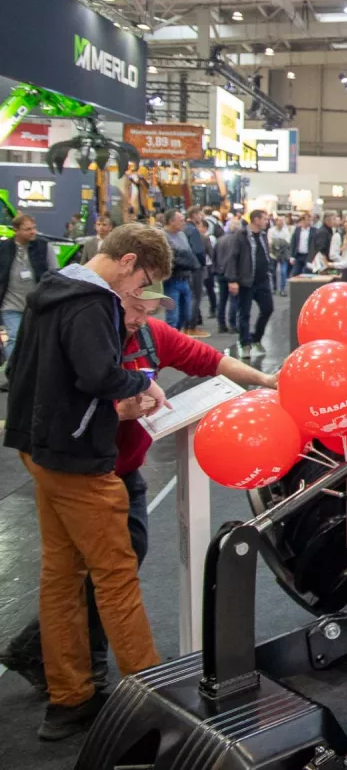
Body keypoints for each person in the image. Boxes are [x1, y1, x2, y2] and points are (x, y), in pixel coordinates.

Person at [0, 281, 278, 701]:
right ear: (119, 293)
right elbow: (69, 396)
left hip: (119, 471)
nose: (139, 318)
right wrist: (119, 409)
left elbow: (211, 358)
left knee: (90, 568)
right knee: (107, 574)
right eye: (135, 307)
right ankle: (124, 685)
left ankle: (61, 670)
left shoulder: (149, 335)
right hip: (87, 471)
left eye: (148, 310)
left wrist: (264, 379)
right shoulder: (88, 332)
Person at [3, 222, 172, 740]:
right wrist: (142, 385)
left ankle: (69, 699)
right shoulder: (93, 302)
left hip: (40, 451)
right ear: (128, 262)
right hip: (79, 459)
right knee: (116, 577)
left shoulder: (50, 289)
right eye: (143, 282)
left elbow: (20, 373)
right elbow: (98, 375)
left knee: (60, 578)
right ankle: (153, 708)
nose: (139, 294)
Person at [0, 214, 60, 367]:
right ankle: (14, 372)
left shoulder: (44, 246)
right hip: (10, 304)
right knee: (14, 337)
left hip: (37, 303)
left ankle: (30, 373)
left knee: (35, 339)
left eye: (34, 228)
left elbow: (55, 271)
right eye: (28, 229)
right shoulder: (3, 248)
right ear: (16, 230)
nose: (33, 232)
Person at [225, 209, 274, 358]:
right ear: (256, 220)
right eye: (265, 219)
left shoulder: (263, 236)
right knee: (244, 314)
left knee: (268, 309)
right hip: (246, 281)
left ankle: (256, 338)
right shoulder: (240, 236)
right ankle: (245, 343)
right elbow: (233, 258)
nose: (267, 221)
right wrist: (233, 280)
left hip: (262, 280)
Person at [161, 210, 199, 332]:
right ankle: (170, 343)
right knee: (173, 316)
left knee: (186, 315)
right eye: (181, 220)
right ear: (171, 221)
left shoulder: (182, 235)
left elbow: (188, 254)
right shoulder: (162, 236)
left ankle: (176, 337)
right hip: (172, 280)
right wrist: (185, 260)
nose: (184, 222)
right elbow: (170, 258)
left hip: (185, 279)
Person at [182, 207, 210, 337]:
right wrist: (201, 264)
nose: (201, 216)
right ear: (194, 215)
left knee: (189, 297)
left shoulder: (184, 229)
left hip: (185, 267)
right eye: (199, 214)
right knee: (195, 297)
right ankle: (191, 327)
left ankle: (187, 326)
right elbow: (198, 250)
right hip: (195, 267)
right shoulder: (193, 230)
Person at [213, 217, 242, 334]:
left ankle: (221, 324)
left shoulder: (220, 240)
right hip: (232, 274)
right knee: (234, 300)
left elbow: (214, 255)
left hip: (220, 273)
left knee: (222, 300)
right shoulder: (237, 241)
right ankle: (233, 324)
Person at [267, 215, 293, 296]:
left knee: (283, 272)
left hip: (283, 255)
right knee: (273, 272)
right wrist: (279, 242)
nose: (280, 223)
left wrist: (277, 242)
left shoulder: (286, 231)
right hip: (273, 254)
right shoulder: (271, 230)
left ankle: (282, 289)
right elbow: (270, 242)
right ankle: (274, 288)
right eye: (279, 221)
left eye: (282, 221)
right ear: (276, 222)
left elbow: (287, 242)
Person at [197, 218, 217, 321]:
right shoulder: (196, 237)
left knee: (210, 289)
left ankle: (213, 308)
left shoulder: (209, 238)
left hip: (208, 266)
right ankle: (198, 314)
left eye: (199, 226)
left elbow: (212, 252)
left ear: (205, 228)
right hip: (202, 266)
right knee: (199, 291)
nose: (198, 228)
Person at [289, 211, 320, 277]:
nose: (309, 222)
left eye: (310, 220)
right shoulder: (297, 230)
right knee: (294, 273)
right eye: (307, 220)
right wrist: (292, 256)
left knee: (307, 273)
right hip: (299, 255)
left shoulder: (314, 231)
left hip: (308, 255)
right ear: (302, 220)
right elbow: (293, 243)